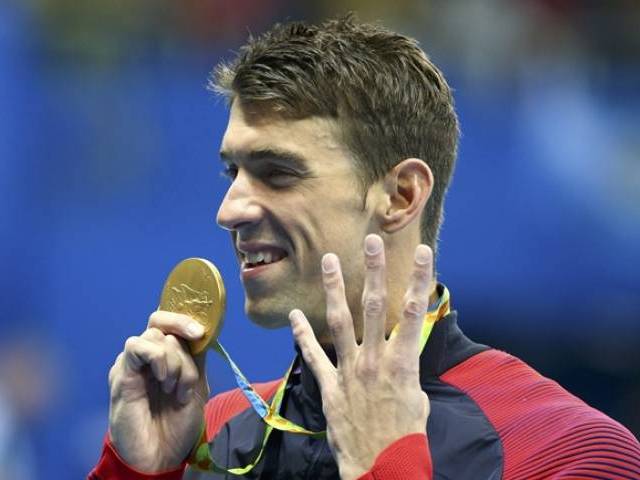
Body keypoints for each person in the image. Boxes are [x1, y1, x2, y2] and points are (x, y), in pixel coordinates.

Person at [89, 15, 640, 480]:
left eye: (277, 173)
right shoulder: (215, 433)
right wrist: (135, 472)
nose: (228, 210)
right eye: (233, 172)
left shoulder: (568, 449)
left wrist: (388, 464)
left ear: (401, 196)